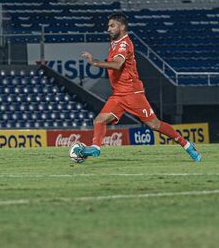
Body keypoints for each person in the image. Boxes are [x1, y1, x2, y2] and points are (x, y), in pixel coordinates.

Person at [71, 12, 201, 162]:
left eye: (112, 26)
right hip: (119, 94)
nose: (108, 29)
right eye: (108, 26)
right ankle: (95, 149)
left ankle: (186, 145)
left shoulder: (124, 44)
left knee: (154, 124)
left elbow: (117, 64)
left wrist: (95, 63)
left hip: (133, 93)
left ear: (123, 27)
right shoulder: (115, 42)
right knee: (99, 120)